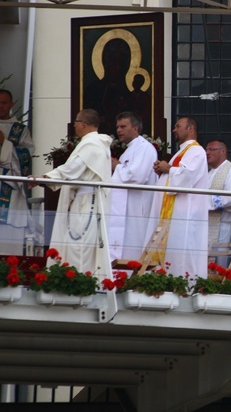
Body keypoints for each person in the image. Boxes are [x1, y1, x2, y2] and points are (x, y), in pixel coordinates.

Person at [34, 109, 112, 277]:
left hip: (87, 203)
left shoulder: (92, 144)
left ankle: (80, 281)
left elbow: (73, 168)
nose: (74, 126)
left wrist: (45, 177)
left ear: (83, 124)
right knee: (77, 243)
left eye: (76, 122)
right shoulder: (95, 143)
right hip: (85, 200)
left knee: (79, 245)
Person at [147, 117, 210, 279]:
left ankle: (184, 286)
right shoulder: (182, 152)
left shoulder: (196, 151)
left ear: (190, 129)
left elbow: (186, 177)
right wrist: (164, 172)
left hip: (185, 212)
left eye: (178, 126)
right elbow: (177, 174)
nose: (174, 130)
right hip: (174, 212)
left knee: (183, 251)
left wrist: (168, 168)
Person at [109, 111, 157, 261]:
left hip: (138, 209)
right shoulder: (129, 150)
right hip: (126, 208)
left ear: (135, 129)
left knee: (135, 246)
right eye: (117, 127)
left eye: (123, 126)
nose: (119, 130)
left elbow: (137, 177)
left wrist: (117, 166)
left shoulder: (144, 148)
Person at [0, 89, 34, 254]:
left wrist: (4, 144)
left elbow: (26, 157)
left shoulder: (20, 130)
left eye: (4, 102)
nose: (0, 106)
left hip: (10, 188)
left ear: (11, 105)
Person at [206, 140, 231, 265]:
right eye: (207, 150)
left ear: (223, 151)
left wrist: (205, 202)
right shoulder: (208, 173)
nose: (207, 153)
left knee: (220, 264)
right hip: (208, 225)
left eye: (212, 149)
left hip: (224, 225)